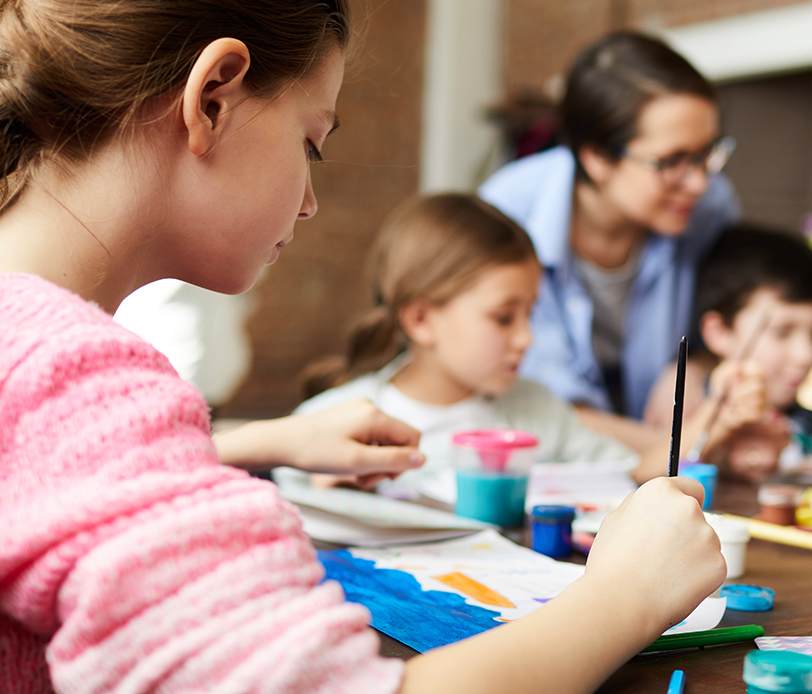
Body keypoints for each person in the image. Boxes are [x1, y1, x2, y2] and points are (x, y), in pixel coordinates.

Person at [0, 0, 726, 694]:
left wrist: (254, 440)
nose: (310, 198)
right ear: (214, 95)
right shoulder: (59, 376)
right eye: (313, 141)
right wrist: (625, 593)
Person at [296, 192, 765, 490]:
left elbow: (641, 473)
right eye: (503, 317)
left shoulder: (536, 410)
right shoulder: (335, 424)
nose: (526, 337)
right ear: (421, 319)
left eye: (530, 313)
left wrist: (714, 414)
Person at [479, 31, 740, 449]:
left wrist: (696, 363)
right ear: (597, 157)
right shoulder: (507, 214)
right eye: (671, 161)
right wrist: (687, 443)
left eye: (706, 154)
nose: (697, 182)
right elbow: (546, 407)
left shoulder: (711, 206)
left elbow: (733, 309)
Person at [643, 225, 812, 477]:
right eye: (782, 332)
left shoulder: (811, 424)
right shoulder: (689, 401)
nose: (806, 354)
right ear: (719, 332)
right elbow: (649, 474)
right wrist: (722, 427)